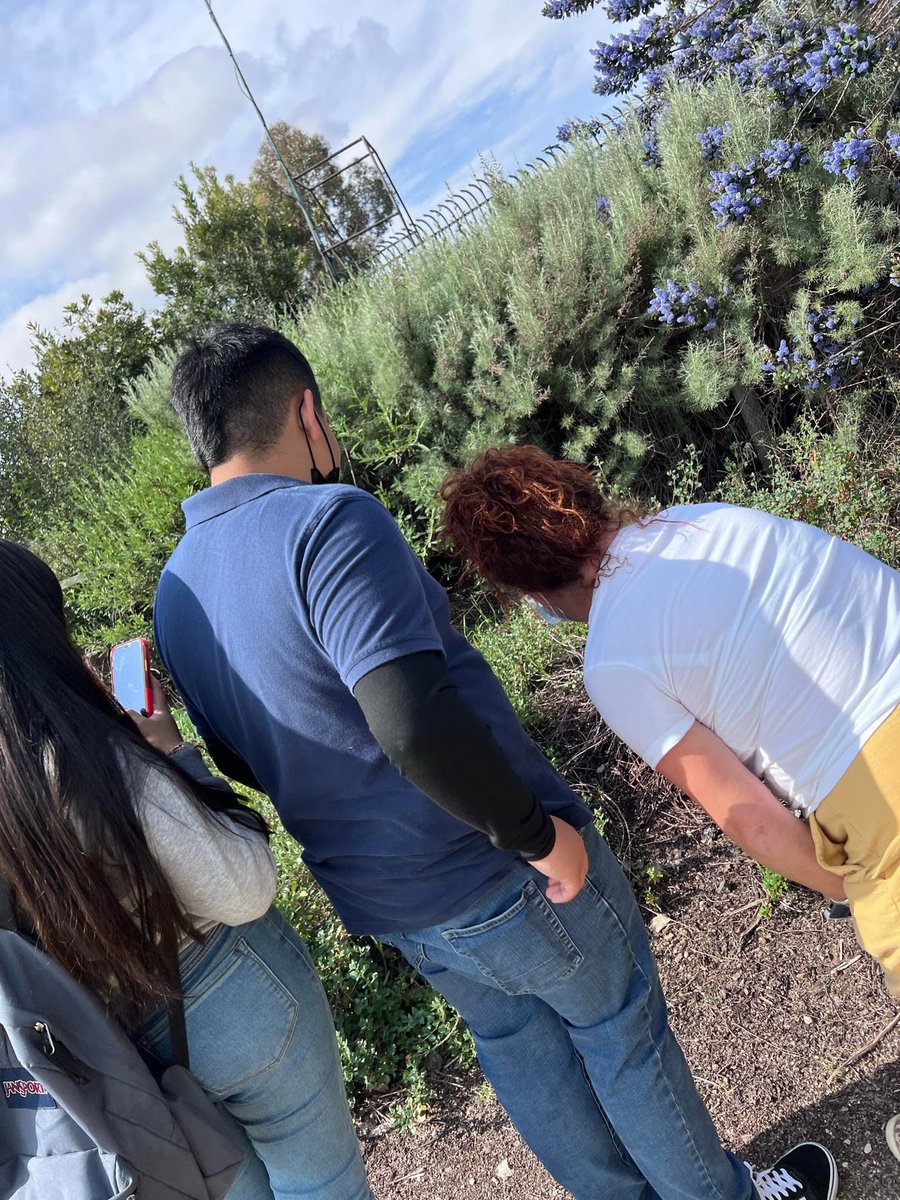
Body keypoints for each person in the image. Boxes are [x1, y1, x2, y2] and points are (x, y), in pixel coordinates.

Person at [154, 322, 836, 1200]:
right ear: (306, 412)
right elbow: (410, 722)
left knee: (520, 1049)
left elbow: (242, 759)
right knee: (621, 1029)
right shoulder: (328, 522)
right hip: (489, 866)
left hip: (381, 898)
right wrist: (537, 837)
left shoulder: (178, 590)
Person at [440, 443, 900, 1173]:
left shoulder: (614, 660)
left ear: (524, 587)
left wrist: (850, 885)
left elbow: (744, 813)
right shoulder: (700, 521)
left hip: (879, 793)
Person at [0, 540, 374, 1200]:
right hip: (221, 991)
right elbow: (243, 886)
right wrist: (170, 751)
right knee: (323, 1183)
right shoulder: (99, 765)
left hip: (104, 1050)